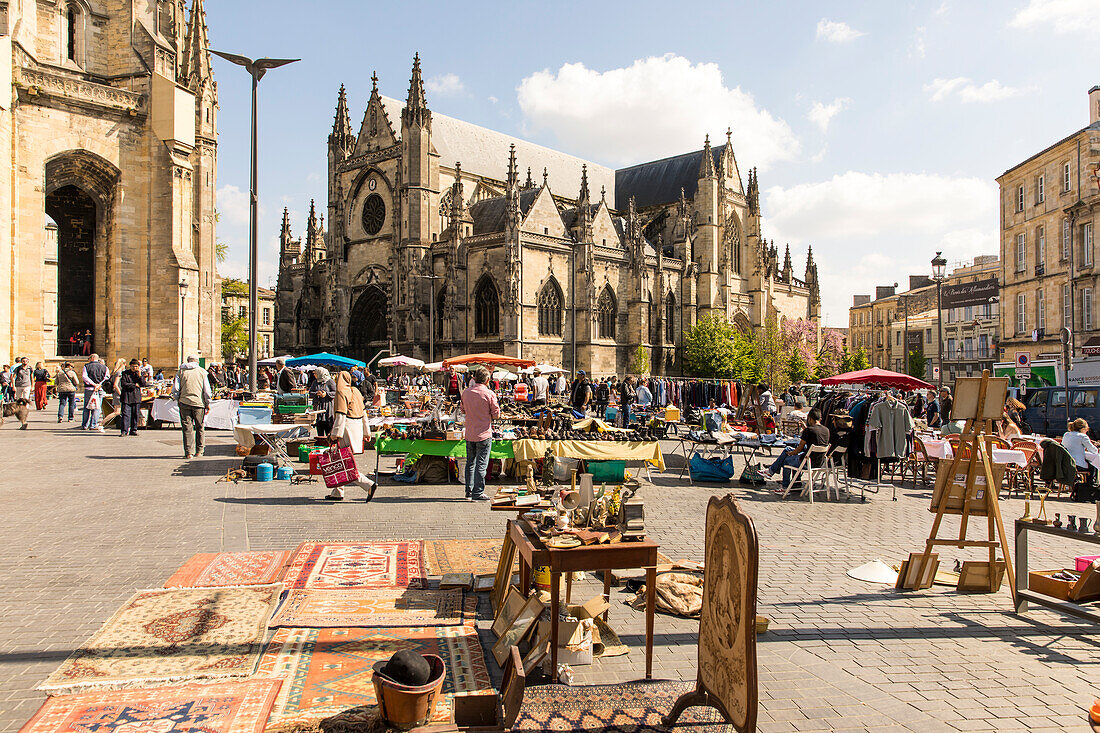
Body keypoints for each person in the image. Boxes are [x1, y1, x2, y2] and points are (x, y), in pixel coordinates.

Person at [325, 371, 377, 500]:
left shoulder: (341, 392)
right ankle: (337, 492)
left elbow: (341, 415)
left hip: (345, 429)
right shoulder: (356, 391)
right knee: (341, 460)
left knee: (343, 462)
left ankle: (368, 484)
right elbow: (364, 414)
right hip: (357, 427)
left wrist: (334, 434)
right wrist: (366, 432)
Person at [764, 408, 830, 492]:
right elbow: (816, 438)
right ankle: (794, 482)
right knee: (790, 452)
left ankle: (784, 486)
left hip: (808, 462)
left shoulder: (809, 430)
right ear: (820, 418)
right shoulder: (826, 430)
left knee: (787, 460)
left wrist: (791, 453)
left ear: (810, 418)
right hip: (819, 462)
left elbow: (799, 448)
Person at [461, 367, 499, 501]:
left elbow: (463, 410)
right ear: (487, 380)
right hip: (483, 433)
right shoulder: (489, 394)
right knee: (481, 464)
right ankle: (478, 492)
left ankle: (468, 491)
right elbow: (496, 414)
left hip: (470, 432)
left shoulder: (466, 393)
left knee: (470, 463)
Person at [173, 355, 211, 458]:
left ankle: (188, 452)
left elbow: (175, 389)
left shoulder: (180, 371)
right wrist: (208, 403)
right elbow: (207, 390)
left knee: (187, 428)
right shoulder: (202, 372)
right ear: (197, 362)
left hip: (184, 402)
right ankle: (199, 450)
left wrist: (178, 399)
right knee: (200, 427)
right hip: (199, 403)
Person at [1062, 418, 1099, 486]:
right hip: (1077, 464)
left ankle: (1086, 485)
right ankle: (1089, 484)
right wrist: (1095, 446)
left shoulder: (1066, 434)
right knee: (1093, 464)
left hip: (1066, 463)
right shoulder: (1083, 436)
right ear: (1082, 428)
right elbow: (1094, 451)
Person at [118, 359, 148, 436]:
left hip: (136, 396)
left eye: (136, 366)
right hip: (126, 396)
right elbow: (124, 384)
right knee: (126, 414)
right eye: (133, 366)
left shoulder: (140, 374)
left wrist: (140, 375)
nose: (134, 368)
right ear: (130, 366)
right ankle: (124, 431)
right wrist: (134, 385)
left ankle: (134, 430)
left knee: (135, 414)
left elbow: (143, 384)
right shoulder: (125, 373)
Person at [81, 353, 109, 431]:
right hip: (99, 389)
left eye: (89, 358)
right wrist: (99, 384)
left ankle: (85, 425)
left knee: (87, 407)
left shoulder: (86, 366)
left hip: (89, 389)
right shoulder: (105, 367)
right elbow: (106, 377)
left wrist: (93, 384)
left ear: (92, 358)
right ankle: (93, 424)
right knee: (97, 407)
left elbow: (84, 377)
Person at [309, 367, 337, 436]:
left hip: (328, 408)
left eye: (315, 374)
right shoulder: (315, 382)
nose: (314, 375)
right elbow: (310, 393)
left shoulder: (330, 381)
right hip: (318, 408)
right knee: (319, 427)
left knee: (328, 428)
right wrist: (317, 393)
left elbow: (336, 392)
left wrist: (326, 394)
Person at [101, 358, 127, 429]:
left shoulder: (114, 372)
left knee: (119, 411)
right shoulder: (119, 373)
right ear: (124, 364)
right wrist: (120, 394)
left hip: (116, 394)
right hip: (118, 394)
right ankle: (101, 423)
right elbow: (116, 385)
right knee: (117, 412)